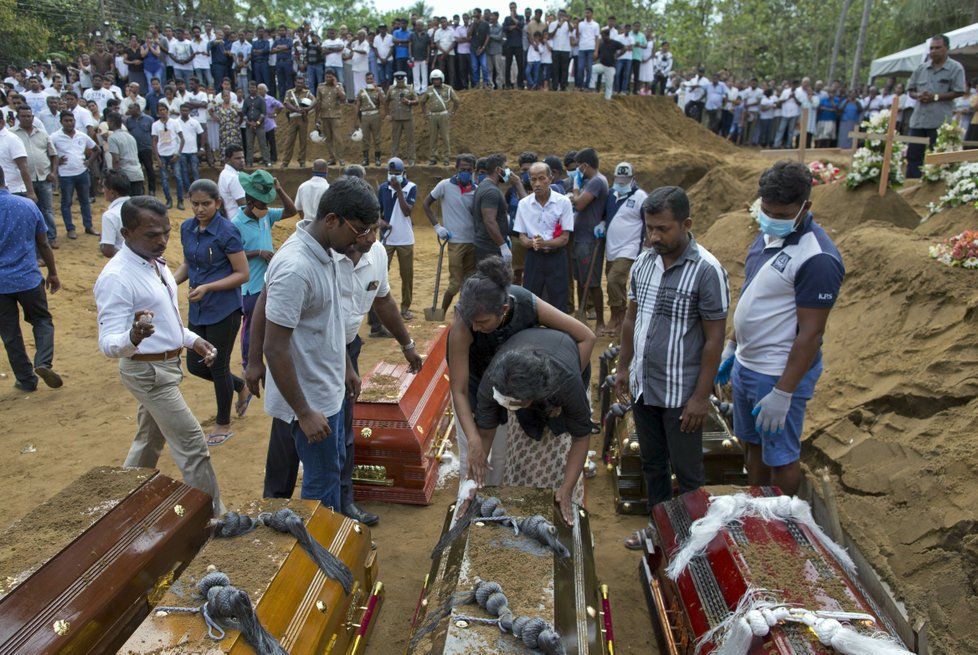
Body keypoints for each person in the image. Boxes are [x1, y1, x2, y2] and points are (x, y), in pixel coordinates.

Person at [93, 195, 224, 519]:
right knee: (193, 444)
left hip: (165, 366)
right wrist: (132, 336)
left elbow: (167, 322)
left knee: (148, 440)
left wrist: (193, 341)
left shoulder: (155, 263)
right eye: (152, 234)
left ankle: (125, 501)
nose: (162, 240)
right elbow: (108, 343)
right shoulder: (116, 277)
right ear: (126, 233)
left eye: (166, 232)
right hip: (147, 373)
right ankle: (215, 519)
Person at [613, 186, 729, 549]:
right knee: (653, 464)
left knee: (689, 473)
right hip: (646, 385)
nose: (654, 236)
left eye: (663, 228)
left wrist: (699, 398)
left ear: (686, 224)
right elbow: (631, 320)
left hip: (682, 393)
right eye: (649, 228)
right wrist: (622, 367)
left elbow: (714, 339)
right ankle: (660, 529)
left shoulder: (707, 271)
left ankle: (694, 539)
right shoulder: (644, 262)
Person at [720, 161, 845, 496]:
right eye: (766, 210)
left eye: (780, 213)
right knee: (753, 445)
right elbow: (754, 293)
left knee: (782, 457)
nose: (771, 218)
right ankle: (759, 509)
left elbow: (811, 334)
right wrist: (733, 346)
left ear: (805, 207)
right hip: (748, 365)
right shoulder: (767, 236)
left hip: (777, 373)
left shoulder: (817, 258)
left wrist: (784, 392)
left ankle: (782, 523)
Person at [258, 176, 382, 511]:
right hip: (310, 402)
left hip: (330, 391)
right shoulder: (296, 268)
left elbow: (329, 320)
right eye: (361, 231)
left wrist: (346, 365)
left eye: (373, 230)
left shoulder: (326, 251)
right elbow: (275, 347)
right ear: (331, 220)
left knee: (333, 466)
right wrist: (304, 413)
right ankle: (321, 553)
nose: (367, 239)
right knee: (322, 483)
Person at [448, 257, 596, 489]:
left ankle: (492, 509)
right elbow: (459, 388)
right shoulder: (464, 322)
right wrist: (473, 437)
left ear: (504, 310)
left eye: (483, 322)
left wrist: (554, 390)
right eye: (472, 323)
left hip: (517, 383)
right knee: (474, 455)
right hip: (476, 386)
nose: (476, 328)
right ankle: (468, 503)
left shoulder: (526, 302)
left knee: (500, 457)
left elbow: (587, 337)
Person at [172, 178, 250, 445]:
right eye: (195, 204)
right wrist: (169, 284)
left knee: (217, 364)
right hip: (198, 308)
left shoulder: (227, 232)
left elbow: (242, 274)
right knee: (195, 365)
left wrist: (208, 287)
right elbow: (188, 264)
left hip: (224, 308)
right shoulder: (187, 228)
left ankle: (223, 424)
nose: (200, 209)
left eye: (206, 204)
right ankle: (240, 386)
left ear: (217, 203)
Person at [0, 167, 62, 392]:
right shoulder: (26, 205)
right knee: (42, 321)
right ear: (4, 179)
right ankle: (43, 362)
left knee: (9, 333)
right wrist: (53, 273)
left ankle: (26, 380)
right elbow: (43, 243)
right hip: (28, 277)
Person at [230, 169, 296, 378]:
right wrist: (257, 252)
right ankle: (248, 364)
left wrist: (279, 189)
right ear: (250, 202)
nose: (266, 209)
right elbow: (231, 254)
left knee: (272, 324)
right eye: (262, 205)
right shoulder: (236, 224)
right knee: (251, 328)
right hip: (250, 286)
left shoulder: (265, 217)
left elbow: (291, 210)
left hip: (269, 283)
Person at [513, 161, 573, 312]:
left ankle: (559, 334)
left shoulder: (563, 202)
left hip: (556, 257)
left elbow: (565, 238)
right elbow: (522, 237)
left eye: (542, 178)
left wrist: (544, 242)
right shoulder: (524, 204)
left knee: (559, 298)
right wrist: (532, 243)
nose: (537, 183)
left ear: (550, 178)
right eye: (533, 180)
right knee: (530, 298)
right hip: (534, 257)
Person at [423, 153, 477, 314]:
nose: (465, 172)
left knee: (469, 280)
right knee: (455, 283)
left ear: (473, 170)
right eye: (462, 169)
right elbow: (426, 203)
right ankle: (442, 312)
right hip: (455, 242)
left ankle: (462, 311)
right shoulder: (444, 185)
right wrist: (437, 227)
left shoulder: (477, 190)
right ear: (456, 169)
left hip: (473, 242)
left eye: (469, 169)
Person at [906, 35, 966, 178]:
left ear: (946, 48)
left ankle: (935, 186)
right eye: (931, 48)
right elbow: (910, 90)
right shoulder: (921, 68)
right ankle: (912, 184)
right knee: (913, 155)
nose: (933, 51)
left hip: (939, 121)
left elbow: (959, 91)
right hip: (919, 120)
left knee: (939, 156)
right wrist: (918, 95)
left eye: (937, 48)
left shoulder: (955, 68)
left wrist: (936, 97)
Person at [603, 162, 647, 337]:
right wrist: (601, 223)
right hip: (611, 247)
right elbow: (604, 215)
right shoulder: (610, 194)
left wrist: (646, 245)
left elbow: (647, 222)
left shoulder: (640, 197)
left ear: (632, 179)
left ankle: (621, 318)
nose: (621, 184)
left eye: (625, 180)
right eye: (619, 180)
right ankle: (617, 315)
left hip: (630, 247)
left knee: (614, 279)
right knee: (615, 283)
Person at [570, 147, 608, 331]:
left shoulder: (597, 182)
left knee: (592, 282)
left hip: (589, 241)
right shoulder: (591, 182)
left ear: (585, 165)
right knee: (581, 279)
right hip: (580, 238)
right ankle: (581, 316)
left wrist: (575, 189)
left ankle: (600, 322)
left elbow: (579, 204)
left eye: (578, 167)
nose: (577, 171)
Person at [12, 106, 58, 247]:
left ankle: (51, 237)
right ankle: (32, 240)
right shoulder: (12, 135)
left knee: (47, 209)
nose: (27, 118)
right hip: (24, 181)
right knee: (27, 212)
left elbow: (54, 155)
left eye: (29, 116)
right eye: (23, 116)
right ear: (18, 118)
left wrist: (53, 172)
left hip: (44, 178)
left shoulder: (43, 134)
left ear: (33, 117)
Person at [378, 157, 417, 320]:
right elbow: (377, 210)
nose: (393, 177)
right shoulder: (382, 188)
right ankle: (378, 308)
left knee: (407, 275)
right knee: (380, 273)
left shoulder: (411, 187)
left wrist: (399, 190)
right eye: (391, 173)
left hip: (405, 239)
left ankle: (405, 307)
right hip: (386, 238)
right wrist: (380, 222)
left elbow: (407, 211)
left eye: (397, 174)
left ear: (403, 173)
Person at [51, 111, 97, 238]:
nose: (69, 123)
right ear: (61, 122)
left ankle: (89, 226)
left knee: (85, 201)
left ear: (74, 121)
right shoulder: (55, 136)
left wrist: (89, 161)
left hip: (82, 172)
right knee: (66, 202)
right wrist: (56, 161)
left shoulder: (81, 135)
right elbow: (47, 151)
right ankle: (70, 228)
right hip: (65, 175)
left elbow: (96, 149)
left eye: (71, 120)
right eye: (66, 120)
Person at [472, 153, 515, 264]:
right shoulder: (491, 191)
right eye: (505, 167)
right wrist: (503, 246)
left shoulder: (484, 186)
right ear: (498, 170)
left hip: (487, 245)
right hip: (490, 248)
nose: (507, 171)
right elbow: (489, 221)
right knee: (492, 280)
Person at [420, 69, 459, 166]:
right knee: (433, 137)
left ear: (441, 79)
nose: (436, 81)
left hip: (443, 115)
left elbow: (456, 100)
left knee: (445, 137)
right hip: (433, 115)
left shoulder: (448, 88)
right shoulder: (429, 89)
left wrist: (452, 112)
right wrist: (425, 113)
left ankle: (446, 158)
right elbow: (422, 102)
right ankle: (433, 157)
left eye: (438, 79)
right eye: (434, 79)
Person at [151, 104, 184, 210]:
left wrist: (178, 153)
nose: (162, 112)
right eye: (160, 110)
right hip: (162, 154)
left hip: (174, 153)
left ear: (167, 111)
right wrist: (157, 158)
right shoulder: (155, 125)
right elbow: (154, 142)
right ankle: (168, 200)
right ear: (157, 112)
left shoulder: (175, 123)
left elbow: (182, 139)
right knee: (164, 179)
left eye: (164, 109)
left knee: (178, 177)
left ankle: (180, 200)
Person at [105, 111, 145, 197]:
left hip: (125, 176)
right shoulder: (130, 136)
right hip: (137, 173)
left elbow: (116, 160)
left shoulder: (112, 138)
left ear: (111, 122)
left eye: (108, 122)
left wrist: (115, 176)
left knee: (126, 205)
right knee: (137, 204)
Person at [313, 68, 346, 166]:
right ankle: (332, 158)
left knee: (338, 138)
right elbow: (318, 102)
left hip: (335, 116)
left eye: (330, 77)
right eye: (327, 76)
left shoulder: (338, 86)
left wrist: (336, 85)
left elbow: (343, 98)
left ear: (333, 77)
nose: (328, 78)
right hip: (324, 115)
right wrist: (317, 117)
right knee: (328, 138)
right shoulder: (320, 87)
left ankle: (341, 158)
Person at [280, 76, 315, 168]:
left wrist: (308, 108)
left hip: (303, 118)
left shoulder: (307, 93)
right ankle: (285, 161)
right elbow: (286, 103)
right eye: (298, 83)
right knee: (289, 141)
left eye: (301, 83)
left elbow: (315, 100)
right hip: (292, 118)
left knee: (303, 141)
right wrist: (297, 110)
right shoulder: (289, 92)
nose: (300, 85)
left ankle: (302, 160)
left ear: (304, 84)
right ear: (295, 82)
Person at [386, 71, 418, 165]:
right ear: (395, 80)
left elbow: (417, 101)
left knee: (410, 139)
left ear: (404, 80)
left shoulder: (410, 88)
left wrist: (409, 102)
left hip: (408, 118)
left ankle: (411, 158)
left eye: (402, 80)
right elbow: (386, 102)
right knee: (395, 139)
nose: (400, 82)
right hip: (396, 118)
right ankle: (394, 158)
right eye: (398, 81)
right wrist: (387, 114)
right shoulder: (391, 89)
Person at [99, 170, 132, 258]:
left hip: (124, 264)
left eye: (104, 187)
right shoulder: (140, 207)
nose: (103, 191)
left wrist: (102, 243)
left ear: (112, 192)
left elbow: (108, 251)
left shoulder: (110, 215)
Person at [354, 72, 385, 167]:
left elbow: (384, 102)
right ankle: (366, 159)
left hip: (375, 115)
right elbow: (357, 106)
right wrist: (356, 120)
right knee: (365, 138)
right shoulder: (361, 92)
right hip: (364, 116)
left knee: (377, 138)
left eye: (371, 79)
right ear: (365, 80)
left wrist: (379, 91)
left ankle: (377, 159)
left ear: (374, 80)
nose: (370, 81)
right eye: (368, 79)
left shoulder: (378, 90)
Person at [177, 105, 204, 190]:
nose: (184, 112)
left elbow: (202, 134)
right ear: (180, 111)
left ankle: (198, 189)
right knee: (184, 171)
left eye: (186, 110)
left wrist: (201, 148)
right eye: (183, 110)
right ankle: (188, 190)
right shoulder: (175, 122)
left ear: (189, 111)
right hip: (181, 151)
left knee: (195, 170)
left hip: (193, 151)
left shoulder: (195, 122)